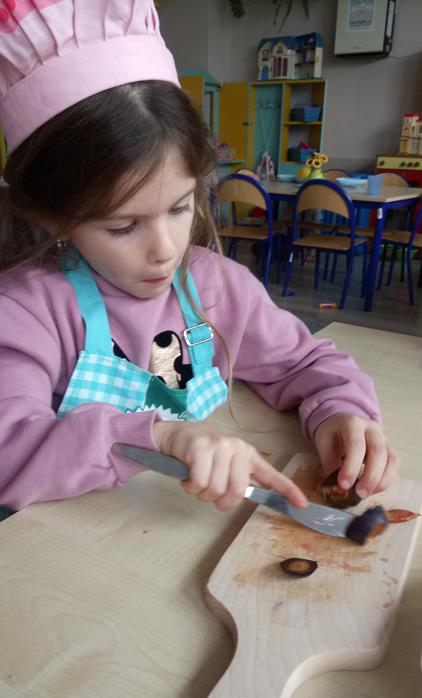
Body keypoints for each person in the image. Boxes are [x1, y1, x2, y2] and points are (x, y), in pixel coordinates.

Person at [0, 0, 398, 515]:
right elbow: (8, 452)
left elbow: (304, 362)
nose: (166, 250)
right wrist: (159, 437)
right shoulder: (27, 311)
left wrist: (340, 412)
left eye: (180, 207)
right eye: (123, 226)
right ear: (54, 216)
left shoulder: (215, 287)